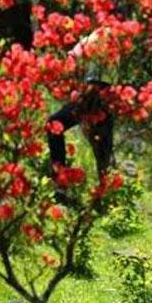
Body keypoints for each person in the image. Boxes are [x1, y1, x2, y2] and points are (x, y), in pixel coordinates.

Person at [47, 28, 116, 186]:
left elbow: (74, 56)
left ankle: (60, 182)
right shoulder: (103, 33)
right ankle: (109, 194)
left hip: (95, 92)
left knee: (54, 124)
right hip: (103, 94)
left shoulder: (103, 32)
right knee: (103, 150)